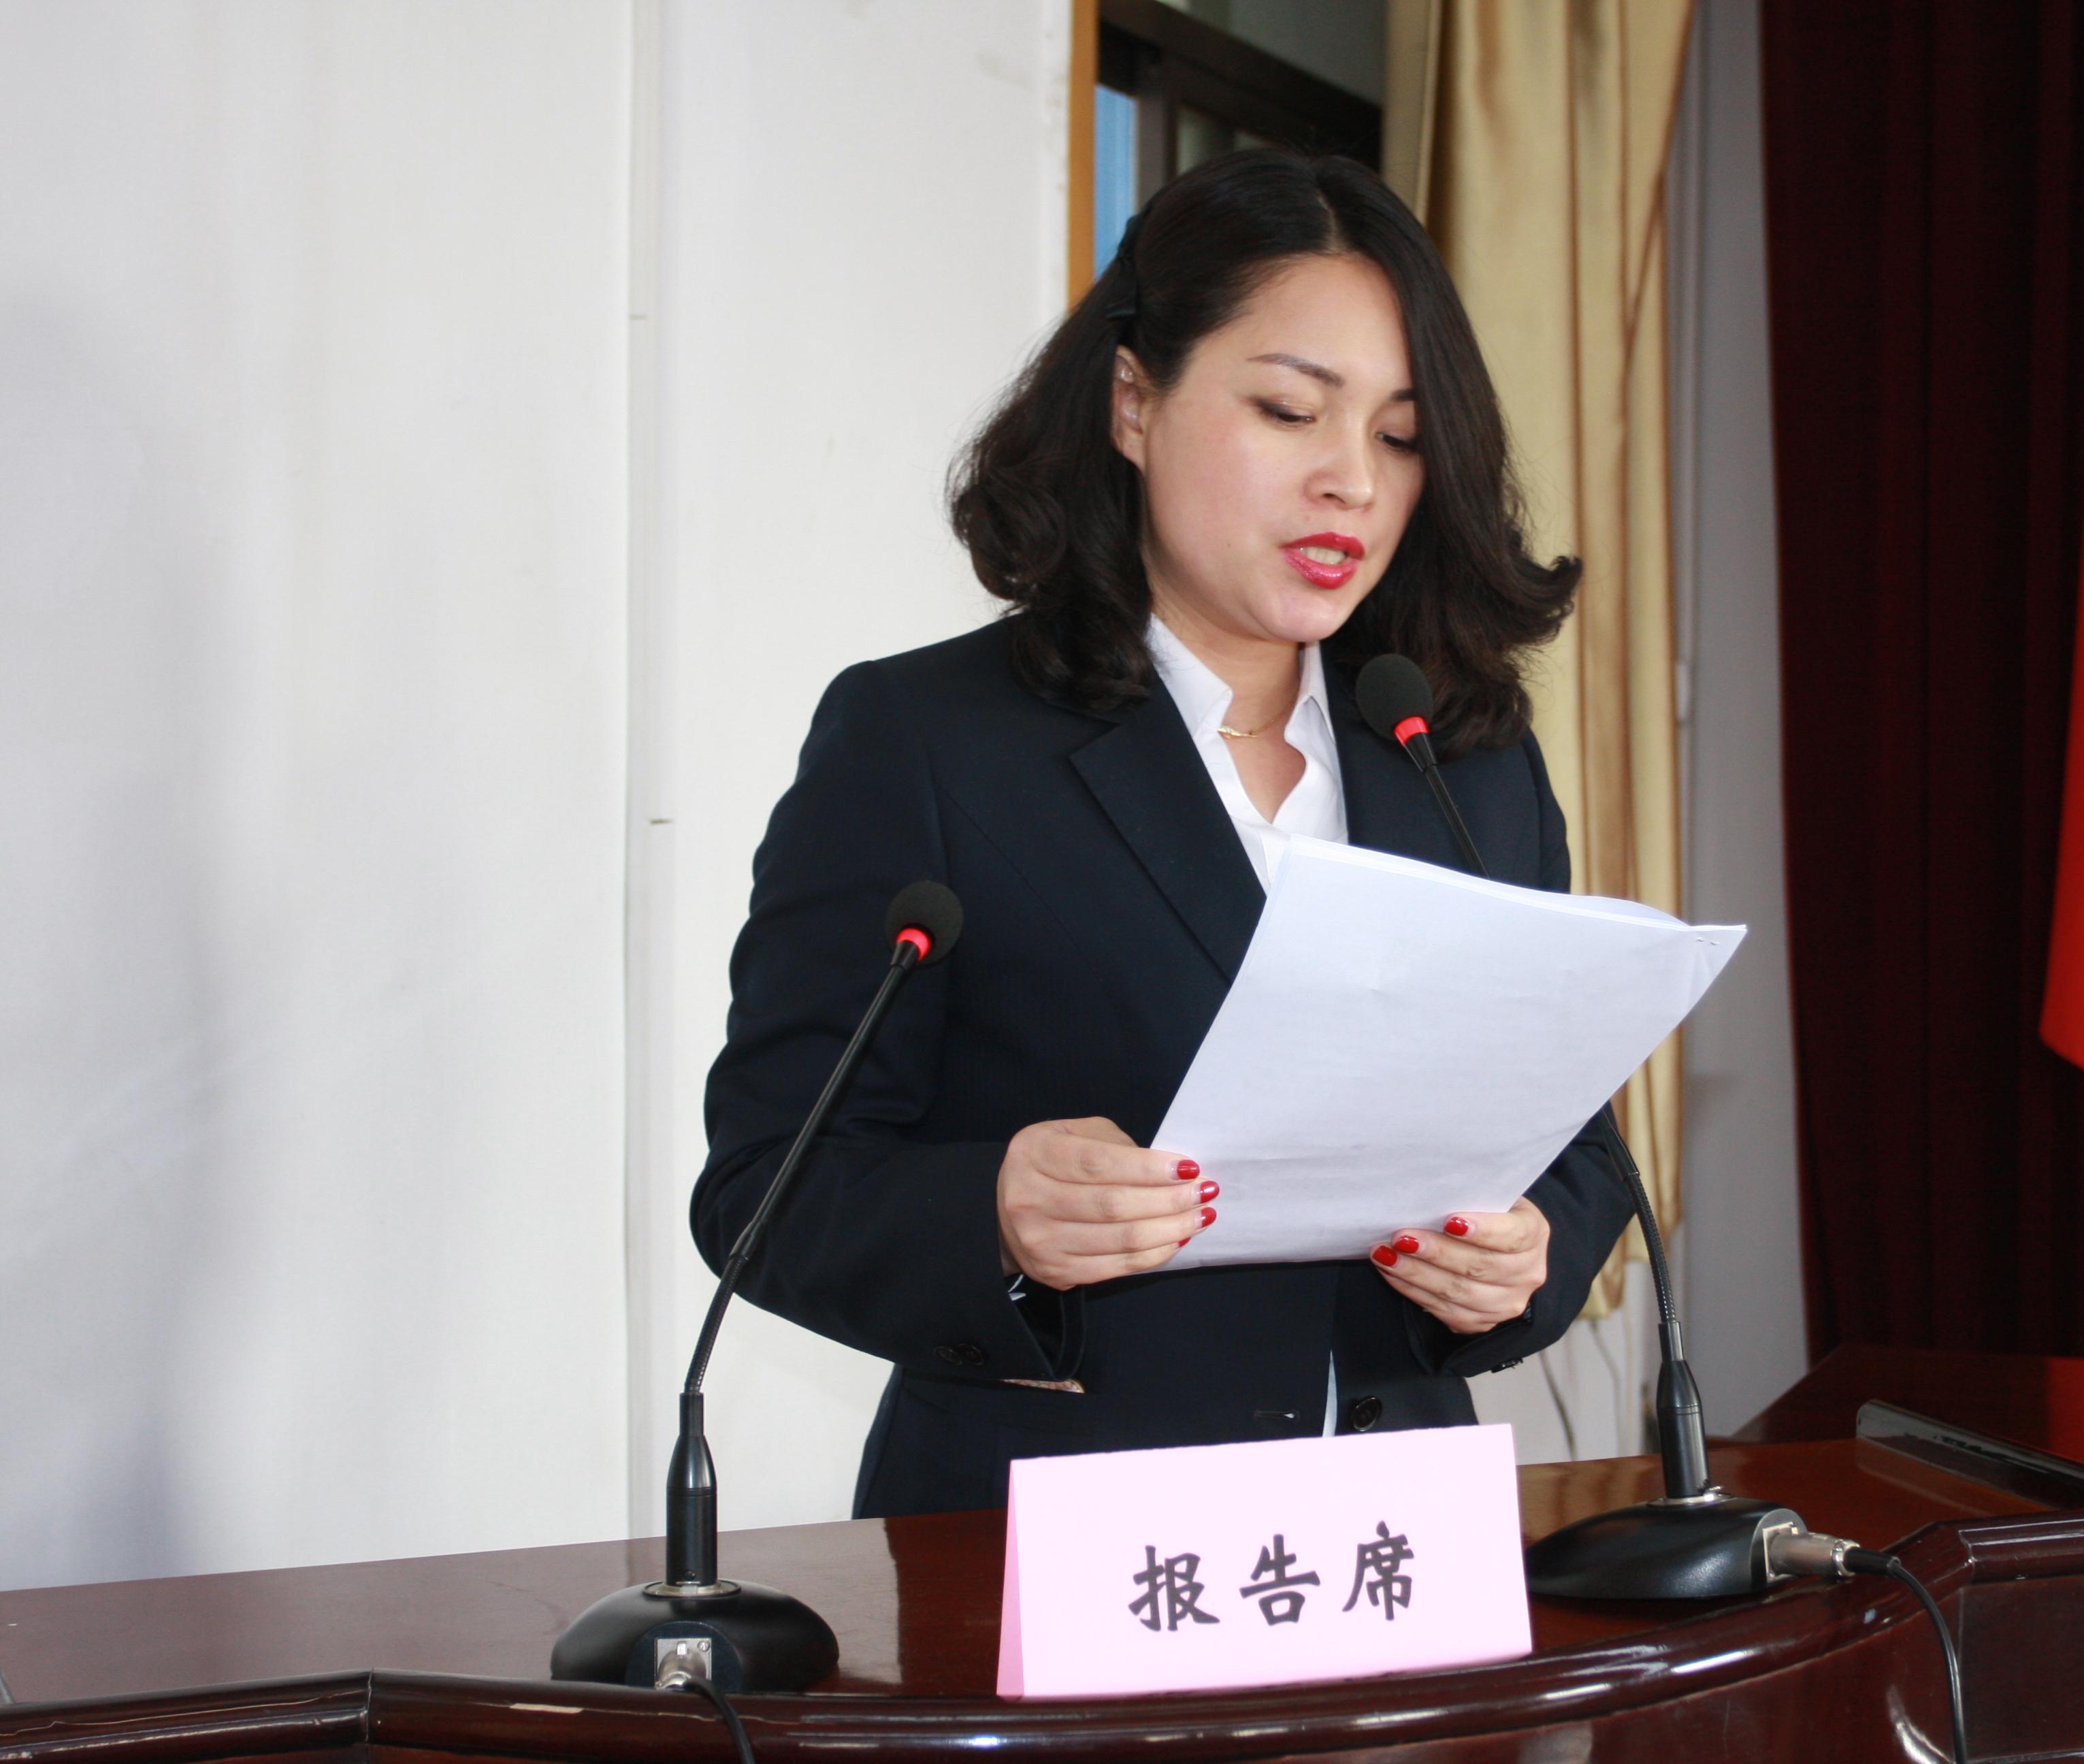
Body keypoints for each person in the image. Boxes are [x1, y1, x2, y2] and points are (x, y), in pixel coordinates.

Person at [690, 148, 1636, 1518]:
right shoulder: (930, 741)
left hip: (1397, 1545)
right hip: (1058, 1543)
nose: (1352, 483)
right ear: (1135, 402)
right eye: (1290, 410)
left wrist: (1526, 1258)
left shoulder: (1464, 763)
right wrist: (994, 1214)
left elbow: (1582, 1156)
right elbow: (765, 1188)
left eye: (1398, 435)